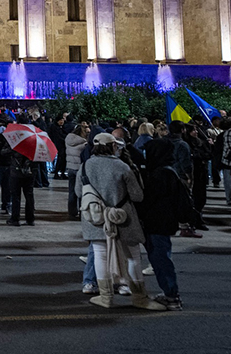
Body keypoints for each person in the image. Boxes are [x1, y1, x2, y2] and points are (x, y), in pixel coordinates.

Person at [75, 133, 164, 310]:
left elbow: (79, 192)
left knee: (100, 255)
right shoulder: (122, 166)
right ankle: (140, 297)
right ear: (113, 147)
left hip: (96, 218)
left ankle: (106, 297)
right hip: (124, 217)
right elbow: (137, 196)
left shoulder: (85, 166)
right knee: (133, 256)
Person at [138, 137, 203, 311]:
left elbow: (153, 200)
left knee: (161, 259)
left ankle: (171, 296)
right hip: (160, 222)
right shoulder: (166, 171)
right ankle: (169, 293)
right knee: (159, 258)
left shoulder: (162, 174)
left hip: (158, 223)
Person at [65, 123, 90, 219]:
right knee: (81, 191)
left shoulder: (68, 140)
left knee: (71, 191)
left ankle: (72, 212)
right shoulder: (84, 143)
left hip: (70, 168)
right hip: (80, 169)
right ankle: (81, 211)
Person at [7, 150, 36, 227]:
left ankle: (15, 219)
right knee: (29, 196)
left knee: (15, 196)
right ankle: (30, 219)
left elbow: (3, 152)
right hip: (29, 173)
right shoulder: (33, 146)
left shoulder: (16, 144)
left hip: (16, 174)